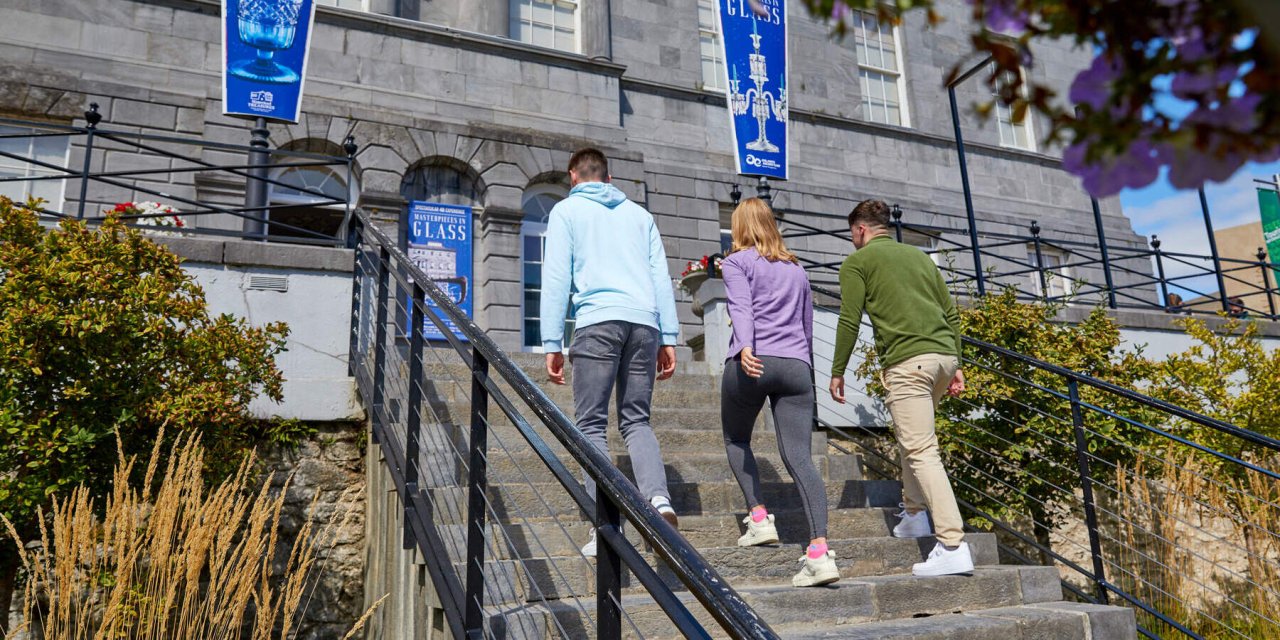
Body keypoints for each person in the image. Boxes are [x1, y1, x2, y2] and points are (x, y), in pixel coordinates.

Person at [540, 148, 680, 558]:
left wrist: (552, 342)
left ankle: (606, 525)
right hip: (644, 324)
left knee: (592, 427)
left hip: (598, 322)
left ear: (573, 176)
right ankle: (659, 500)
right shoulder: (640, 216)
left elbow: (556, 277)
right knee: (637, 420)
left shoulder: (567, 212)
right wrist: (668, 336)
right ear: (609, 177)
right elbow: (660, 275)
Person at [828, 199, 973, 577]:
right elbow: (951, 312)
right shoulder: (921, 257)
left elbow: (848, 319)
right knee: (915, 439)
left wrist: (838, 370)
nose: (852, 241)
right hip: (942, 358)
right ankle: (913, 515)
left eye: (852, 234)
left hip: (909, 363)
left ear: (860, 230)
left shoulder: (857, 262)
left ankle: (953, 544)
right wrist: (956, 363)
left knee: (922, 450)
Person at [719, 198, 838, 588]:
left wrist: (746, 346)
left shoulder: (736, 262)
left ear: (740, 227)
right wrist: (807, 372)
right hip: (796, 367)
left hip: (754, 361)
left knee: (736, 437)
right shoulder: (797, 269)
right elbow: (806, 324)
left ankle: (758, 518)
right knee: (799, 457)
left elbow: (741, 307)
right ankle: (819, 554)